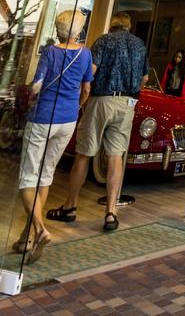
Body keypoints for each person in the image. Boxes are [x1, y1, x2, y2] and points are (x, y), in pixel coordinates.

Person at [46, 12, 147, 232]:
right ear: (129, 25)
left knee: (84, 153)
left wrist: (82, 96)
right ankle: (111, 212)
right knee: (115, 157)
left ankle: (70, 206)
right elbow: (144, 77)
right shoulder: (140, 44)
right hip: (127, 103)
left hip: (102, 100)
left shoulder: (104, 41)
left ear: (112, 25)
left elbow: (90, 72)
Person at [14, 10, 92, 260]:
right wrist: (76, 106)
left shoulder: (50, 52)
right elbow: (86, 88)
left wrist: (30, 98)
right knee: (45, 174)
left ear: (57, 29)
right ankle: (27, 236)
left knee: (29, 175)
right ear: (78, 30)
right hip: (68, 118)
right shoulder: (85, 53)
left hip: (43, 116)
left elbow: (37, 84)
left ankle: (38, 229)